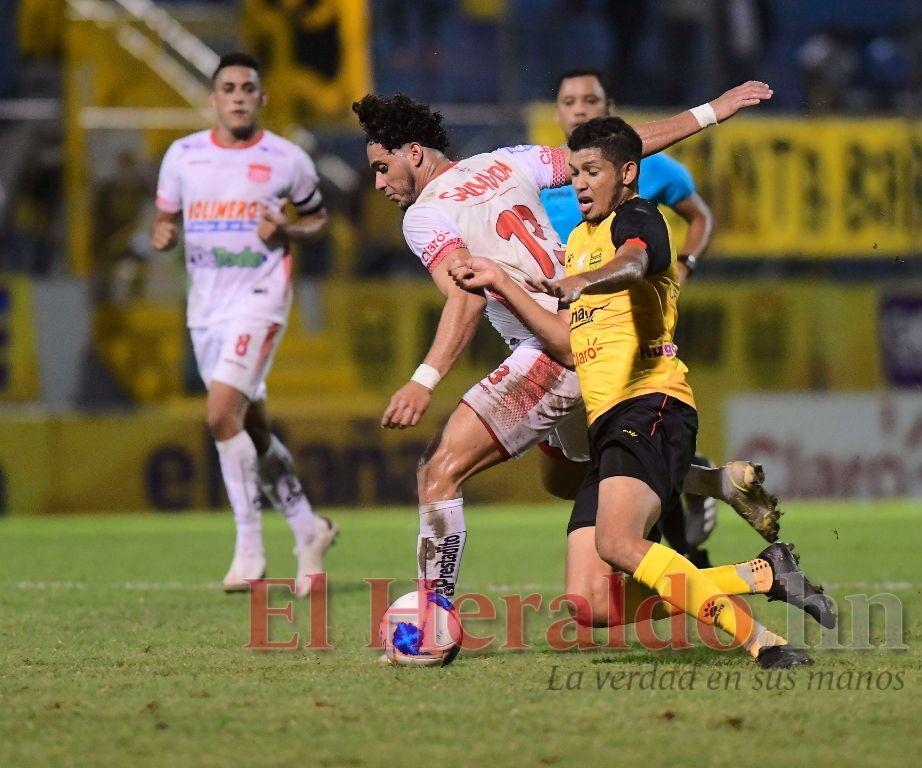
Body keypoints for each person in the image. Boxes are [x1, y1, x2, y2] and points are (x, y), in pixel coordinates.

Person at [352, 81, 773, 604]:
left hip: (551, 351)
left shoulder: (423, 218)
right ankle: (713, 485)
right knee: (572, 475)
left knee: (439, 471)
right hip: (595, 335)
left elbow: (467, 298)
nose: (378, 184)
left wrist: (424, 379)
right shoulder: (508, 161)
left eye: (380, 167)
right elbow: (622, 149)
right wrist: (711, 111)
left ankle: (434, 613)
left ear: (413, 154)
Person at [449, 117, 833, 668]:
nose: (578, 183)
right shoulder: (577, 243)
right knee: (589, 603)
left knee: (619, 545)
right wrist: (503, 284)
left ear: (627, 173)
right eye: (574, 172)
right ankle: (764, 573)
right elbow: (564, 343)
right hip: (608, 424)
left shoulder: (638, 217)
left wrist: (582, 282)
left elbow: (636, 262)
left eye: (592, 171)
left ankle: (759, 642)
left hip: (652, 406)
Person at [539, 68, 748, 565]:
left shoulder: (649, 176)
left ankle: (688, 555)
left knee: (630, 443)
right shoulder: (549, 177)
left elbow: (698, 219)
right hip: (566, 325)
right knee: (564, 476)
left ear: (609, 106)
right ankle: (695, 478)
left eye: (591, 99)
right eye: (570, 101)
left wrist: (684, 269)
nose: (581, 109)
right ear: (556, 112)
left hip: (625, 320)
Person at [152, 52, 337, 597]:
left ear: (262, 99)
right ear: (213, 99)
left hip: (260, 300)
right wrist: (163, 232)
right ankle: (309, 529)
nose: (237, 95)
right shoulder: (181, 156)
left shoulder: (288, 159)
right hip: (204, 310)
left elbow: (318, 217)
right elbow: (165, 216)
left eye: (247, 88)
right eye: (227, 87)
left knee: (218, 415)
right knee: (251, 428)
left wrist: (287, 231)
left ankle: (249, 547)